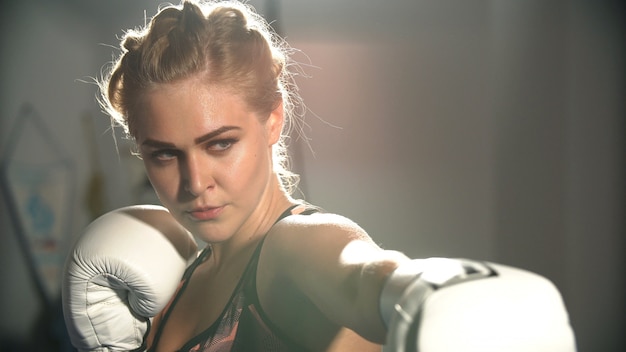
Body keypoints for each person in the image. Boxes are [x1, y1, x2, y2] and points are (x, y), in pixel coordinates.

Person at [61, 1, 577, 351]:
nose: (196, 182)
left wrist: (424, 291)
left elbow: (361, 272)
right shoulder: (180, 276)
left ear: (273, 119)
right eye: (165, 155)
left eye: (220, 144)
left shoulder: (295, 247)